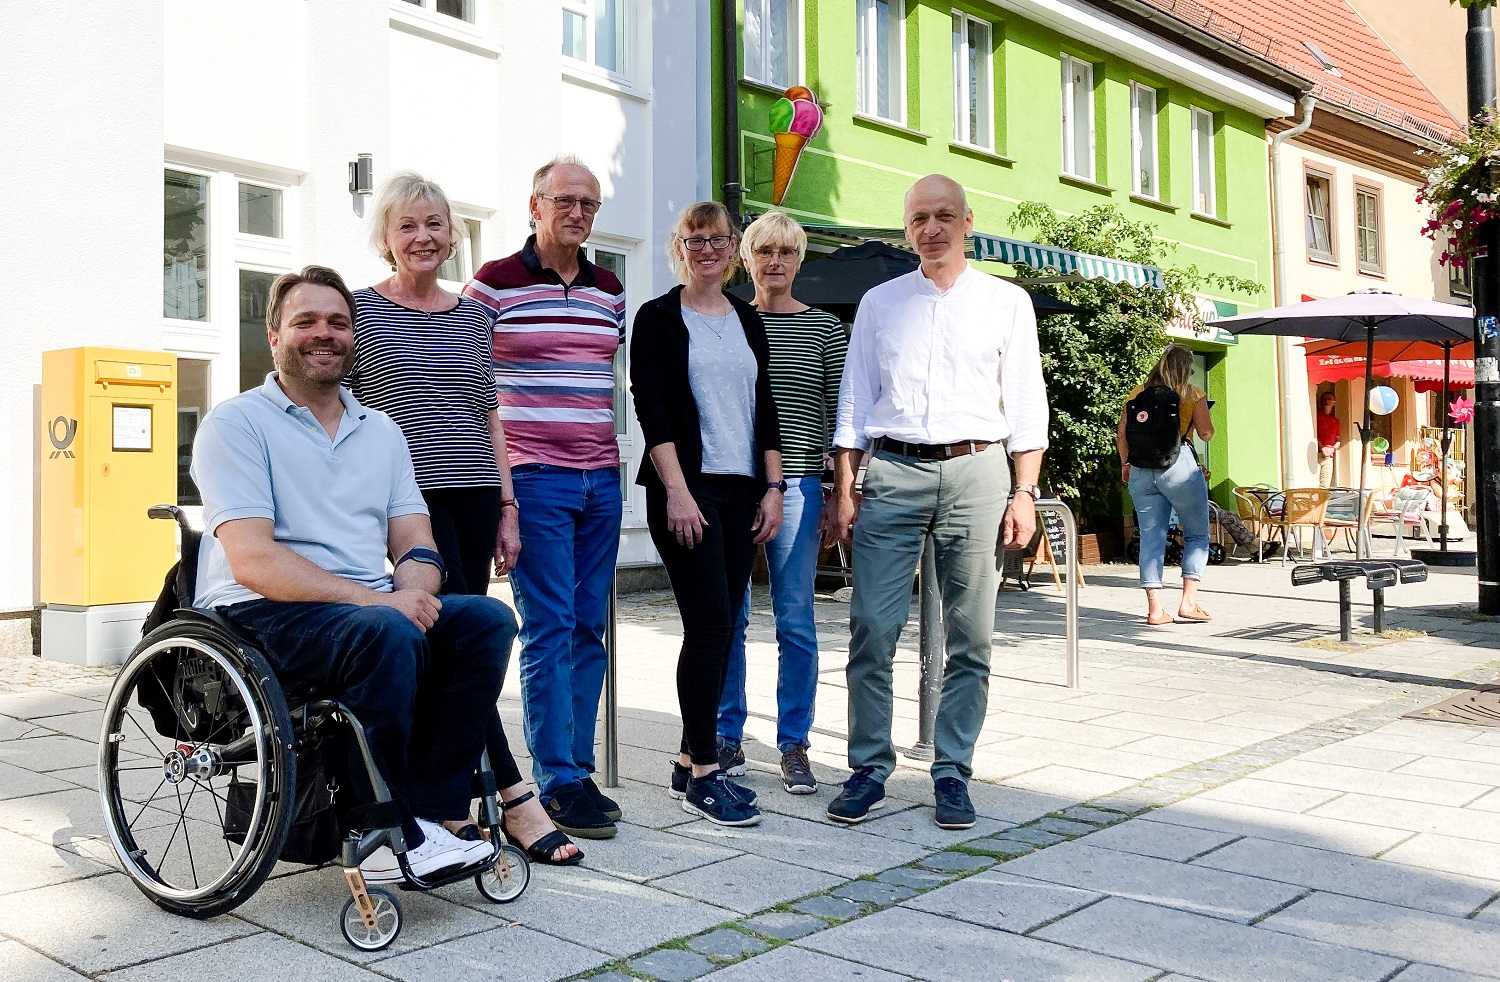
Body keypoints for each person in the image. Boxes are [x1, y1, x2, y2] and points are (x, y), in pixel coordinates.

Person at [191, 265, 513, 884]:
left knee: (485, 621)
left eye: (338, 322)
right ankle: (382, 826)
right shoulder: (236, 424)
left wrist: (413, 592)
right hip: (261, 611)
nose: (324, 333)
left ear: (354, 334)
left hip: (360, 610)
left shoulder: (380, 430)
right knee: (385, 631)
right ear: (274, 335)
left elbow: (415, 539)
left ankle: (432, 813)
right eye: (306, 321)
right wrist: (380, 604)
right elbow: (254, 561)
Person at [347, 172, 579, 866]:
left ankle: (462, 801)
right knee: (449, 640)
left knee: (467, 645)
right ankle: (511, 796)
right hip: (406, 505)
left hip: (475, 494)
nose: (422, 237)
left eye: (434, 224)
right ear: (386, 238)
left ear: (451, 236)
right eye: (407, 225)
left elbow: (488, 416)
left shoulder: (475, 316)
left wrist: (508, 506)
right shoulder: (358, 312)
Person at [823, 175, 1048, 831]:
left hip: (978, 470)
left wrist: (1024, 491)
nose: (931, 228)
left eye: (944, 215)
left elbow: (1026, 402)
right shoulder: (881, 302)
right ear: (907, 228)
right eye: (919, 217)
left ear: (967, 222)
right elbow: (855, 400)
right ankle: (869, 767)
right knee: (872, 626)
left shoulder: (1006, 302)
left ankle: (952, 770)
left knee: (971, 634)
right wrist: (846, 486)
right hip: (893, 469)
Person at [463, 157, 626, 843]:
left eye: (589, 203)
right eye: (565, 201)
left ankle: (577, 770)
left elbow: (600, 380)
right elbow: (471, 389)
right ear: (535, 206)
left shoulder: (609, 289)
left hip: (602, 477)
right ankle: (555, 780)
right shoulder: (493, 284)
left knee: (589, 627)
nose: (578, 213)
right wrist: (503, 499)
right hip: (534, 478)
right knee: (550, 627)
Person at [630, 201, 785, 827]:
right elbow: (652, 408)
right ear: (680, 247)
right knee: (710, 626)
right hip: (686, 490)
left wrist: (773, 486)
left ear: (732, 248)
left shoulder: (746, 317)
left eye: (718, 239)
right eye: (696, 239)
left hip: (741, 491)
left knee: (724, 627)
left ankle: (687, 758)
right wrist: (676, 491)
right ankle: (702, 775)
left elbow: (765, 404)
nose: (708, 249)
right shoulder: (658, 317)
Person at [717, 212, 845, 795]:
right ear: (745, 258)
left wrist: (842, 490)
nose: (775, 262)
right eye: (764, 251)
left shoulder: (823, 328)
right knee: (730, 617)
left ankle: (794, 742)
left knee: (795, 620)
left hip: (797, 486)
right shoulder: (725, 322)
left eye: (786, 252)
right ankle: (727, 734)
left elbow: (841, 417)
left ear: (799, 260)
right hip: (733, 488)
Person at [1117, 344, 1214, 627]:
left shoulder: (1137, 394)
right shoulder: (1192, 393)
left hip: (1140, 468)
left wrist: (1125, 463)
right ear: (1187, 368)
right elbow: (1206, 434)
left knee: (1151, 537)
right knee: (1197, 534)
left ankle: (1155, 610)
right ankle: (1188, 603)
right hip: (1179, 466)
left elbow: (1122, 434)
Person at [1316, 390, 1341, 488]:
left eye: (1330, 399)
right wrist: (1322, 447)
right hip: (1316, 454)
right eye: (1325, 399)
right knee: (1313, 484)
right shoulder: (1316, 416)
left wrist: (1332, 449)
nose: (1327, 401)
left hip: (1328, 456)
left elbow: (1338, 440)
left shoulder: (1335, 421)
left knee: (1324, 486)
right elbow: (1313, 434)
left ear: (1334, 402)